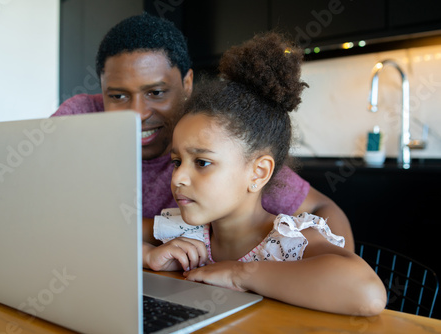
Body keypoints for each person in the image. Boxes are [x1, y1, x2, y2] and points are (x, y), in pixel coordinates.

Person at [52, 13, 355, 252]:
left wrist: (328, 275)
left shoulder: (213, 134)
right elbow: (32, 208)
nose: (137, 114)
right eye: (117, 96)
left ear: (187, 84)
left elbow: (320, 209)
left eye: (156, 92)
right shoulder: (80, 119)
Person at [144, 31, 386, 316]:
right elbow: (96, 236)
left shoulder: (290, 241)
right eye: (176, 162)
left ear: (258, 173)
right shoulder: (187, 232)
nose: (178, 178)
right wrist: (147, 254)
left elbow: (368, 294)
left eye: (202, 162)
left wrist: (241, 274)